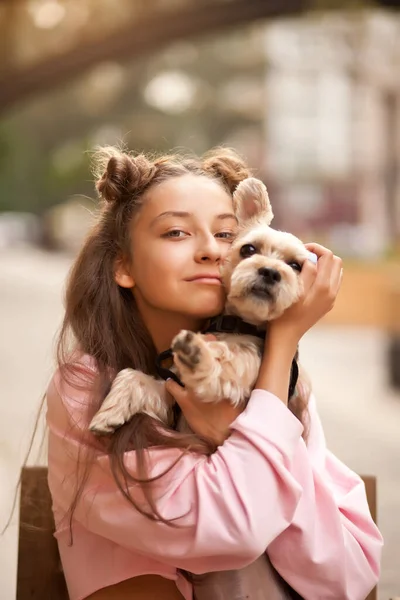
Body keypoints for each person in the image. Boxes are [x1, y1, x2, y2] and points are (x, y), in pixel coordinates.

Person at [46, 146, 383, 600]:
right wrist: (278, 356)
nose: (209, 250)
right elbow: (236, 530)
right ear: (122, 265)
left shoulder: (283, 386)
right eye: (177, 232)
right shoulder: (87, 386)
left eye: (226, 235)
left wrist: (271, 367)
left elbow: (347, 577)